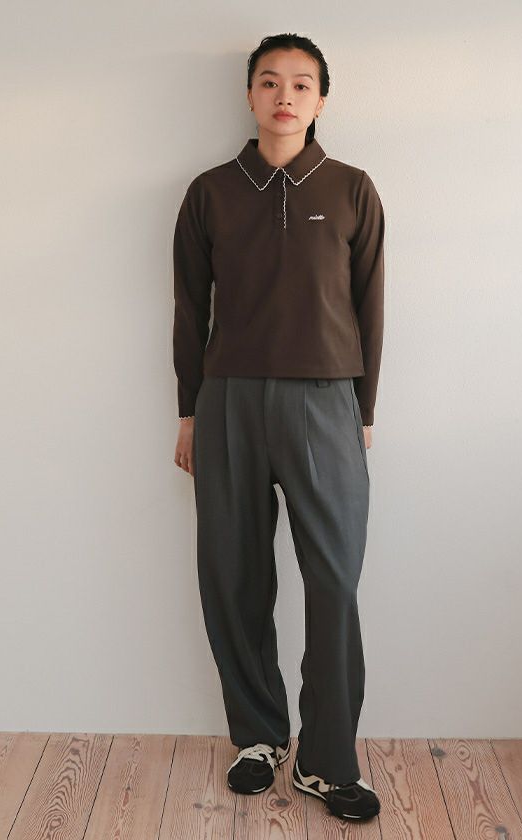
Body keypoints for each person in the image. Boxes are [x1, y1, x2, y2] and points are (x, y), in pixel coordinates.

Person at [172, 32, 385, 823]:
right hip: (228, 401)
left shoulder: (353, 188)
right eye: (269, 81)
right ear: (250, 95)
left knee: (333, 582)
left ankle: (327, 762)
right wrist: (189, 410)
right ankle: (258, 737)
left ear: (321, 98)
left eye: (300, 83)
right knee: (232, 573)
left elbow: (371, 306)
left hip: (326, 403)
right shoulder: (210, 192)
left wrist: (364, 412)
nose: (284, 95)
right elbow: (189, 310)